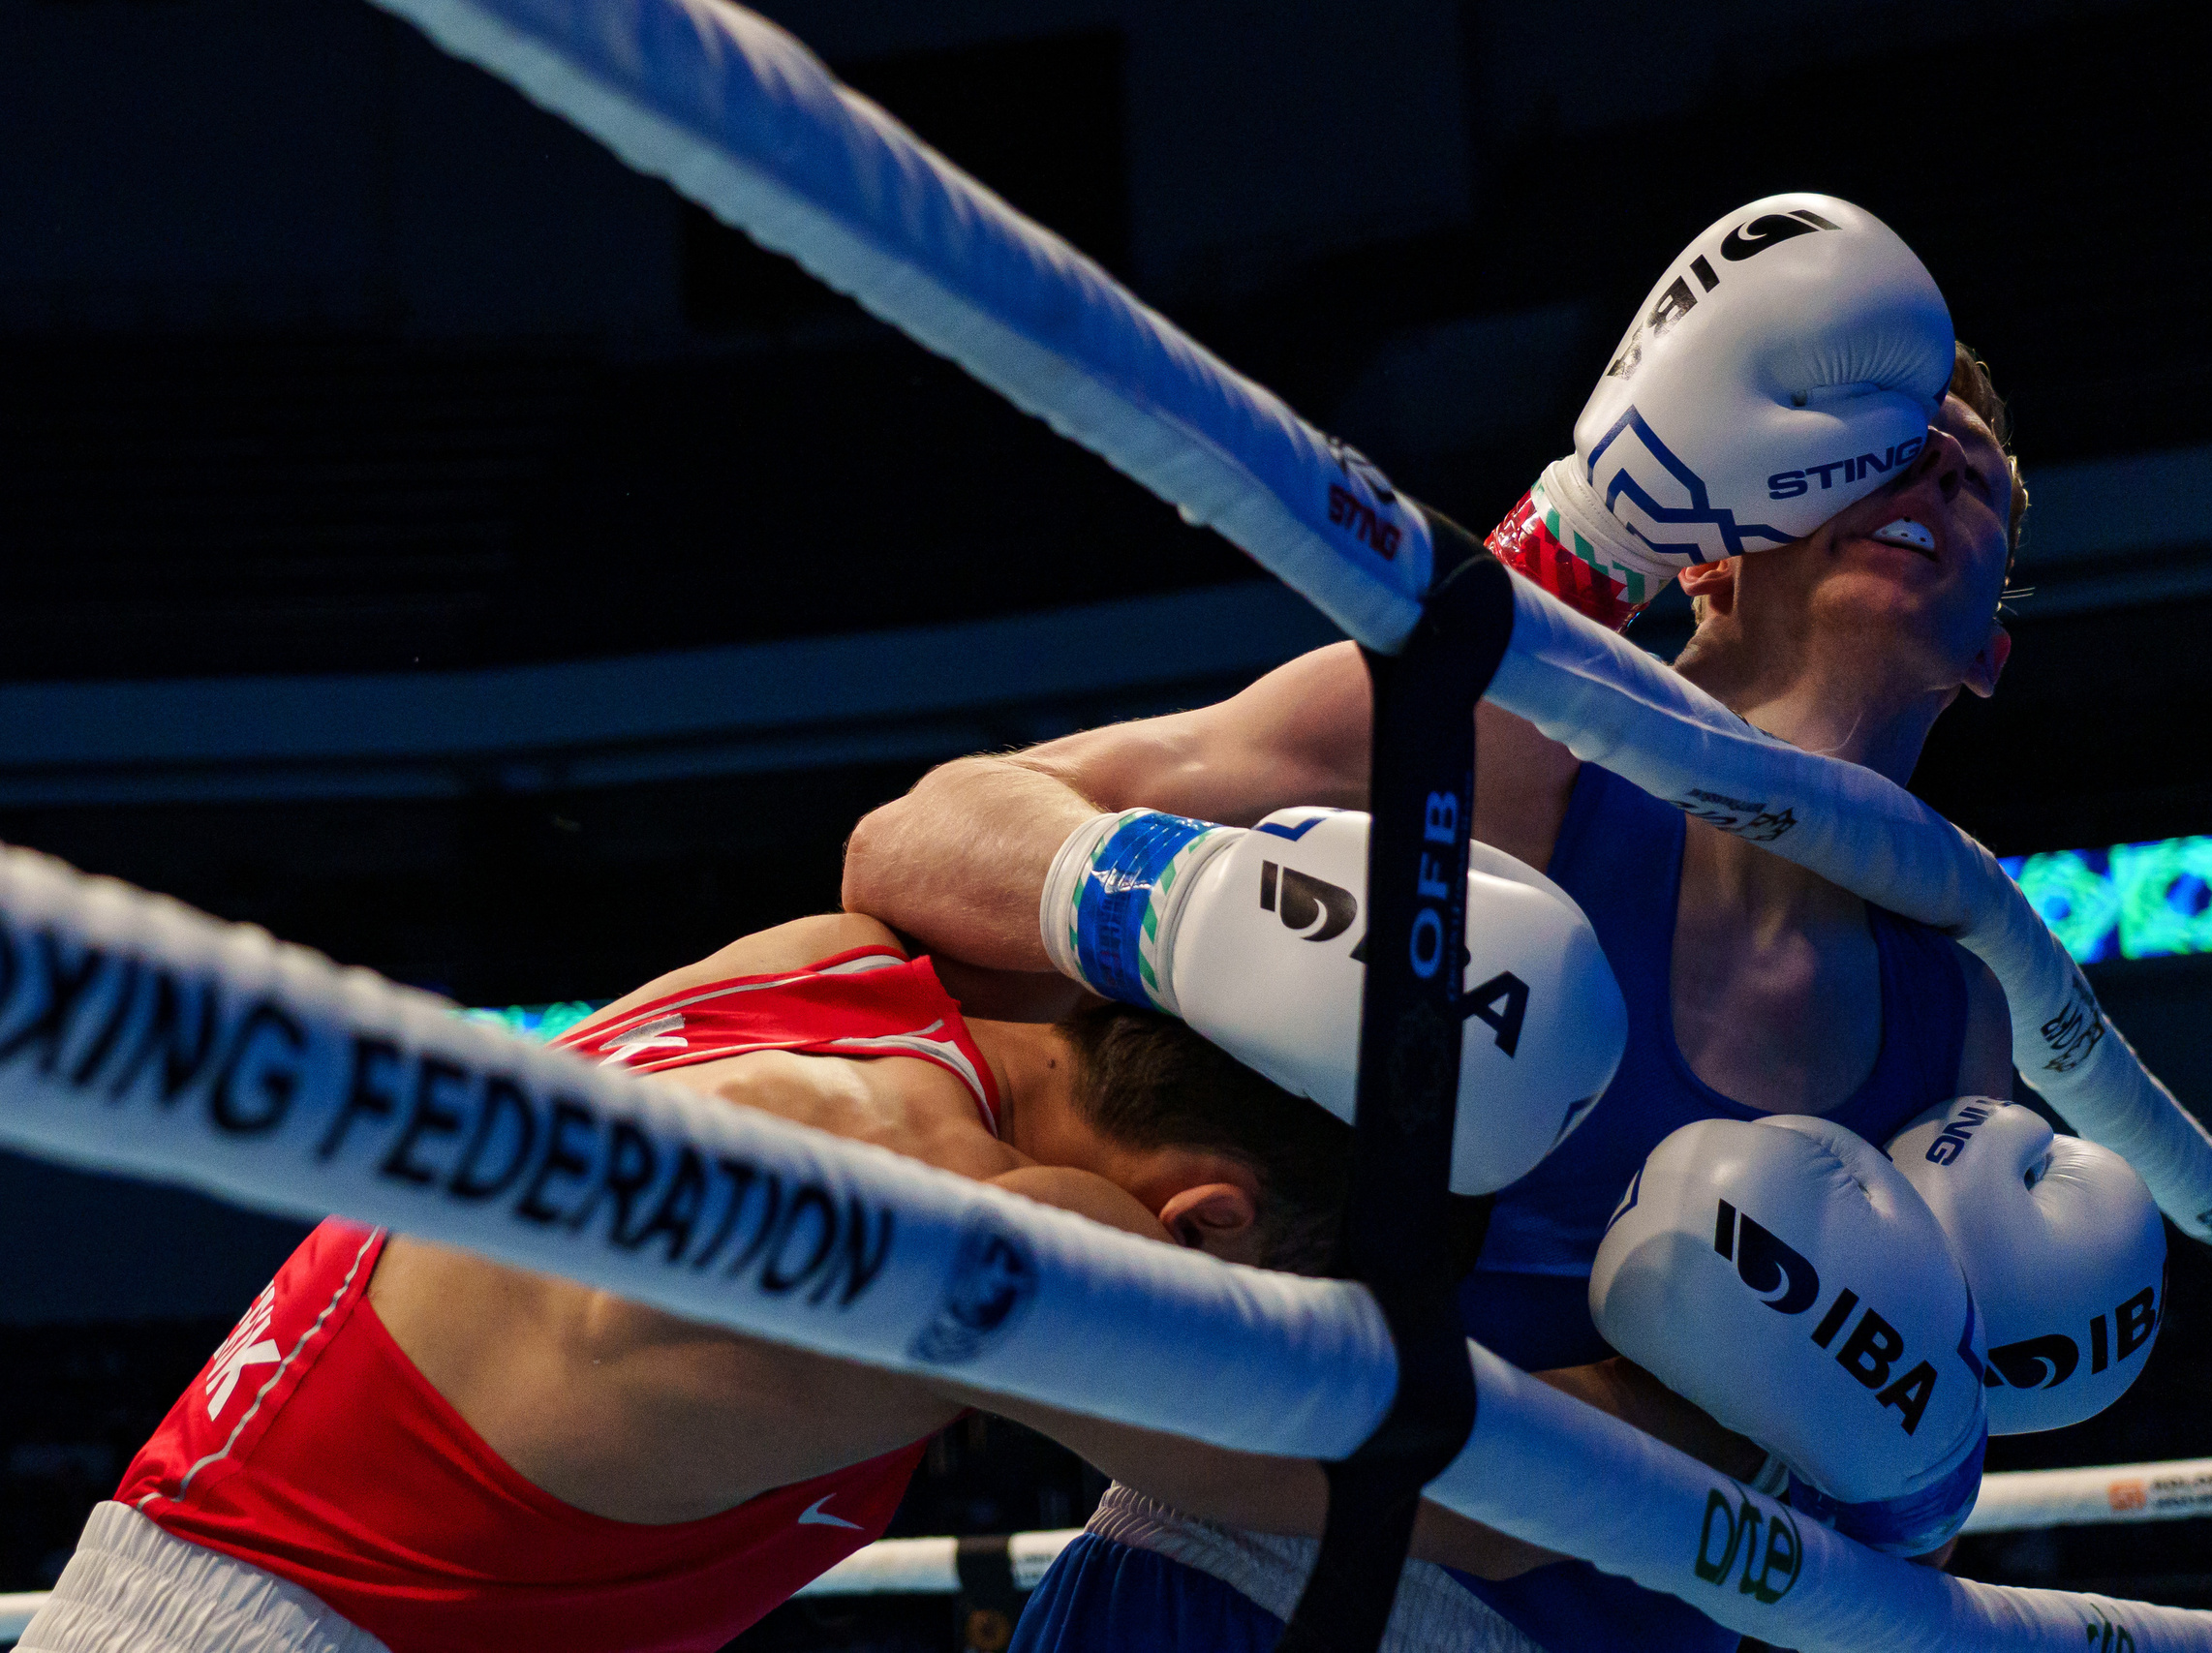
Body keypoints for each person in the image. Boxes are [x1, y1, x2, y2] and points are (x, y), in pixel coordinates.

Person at [839, 195, 2033, 1650]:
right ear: (1715, 551)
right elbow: (919, 837)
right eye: (1863, 454)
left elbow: (1893, 1469)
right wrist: (1181, 908)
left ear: (1990, 653)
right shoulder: (1511, 756)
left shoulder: (1963, 1008)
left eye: (1963, 473)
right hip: (1258, 1597)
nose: (1916, 477)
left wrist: (1917, 1477)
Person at [26, 876, 1623, 1653]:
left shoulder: (834, 971)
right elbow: (1437, 1500)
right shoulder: (973, 1229)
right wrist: (1796, 1426)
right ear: (1207, 1226)